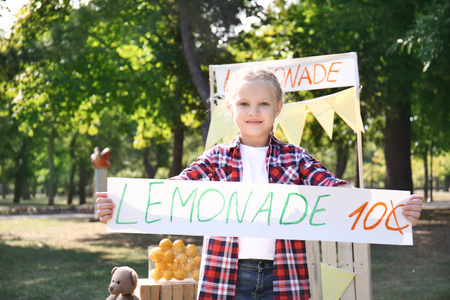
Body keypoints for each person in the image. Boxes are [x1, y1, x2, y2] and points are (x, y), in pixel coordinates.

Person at [96, 67, 423, 300]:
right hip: (226, 275)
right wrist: (122, 205)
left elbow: (336, 189)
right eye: (244, 104)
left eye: (264, 104)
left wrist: (394, 212)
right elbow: (173, 192)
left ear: (278, 108)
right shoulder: (216, 158)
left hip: (284, 274)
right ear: (229, 108)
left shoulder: (295, 157)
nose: (254, 111)